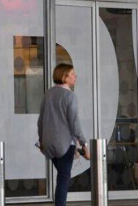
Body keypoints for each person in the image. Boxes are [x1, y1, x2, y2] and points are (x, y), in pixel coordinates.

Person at [37, 63, 90, 206]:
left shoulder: (47, 94)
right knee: (63, 177)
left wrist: (42, 141)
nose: (75, 76)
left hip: (48, 144)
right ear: (64, 77)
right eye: (72, 74)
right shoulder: (69, 96)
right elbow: (74, 124)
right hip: (65, 144)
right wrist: (84, 143)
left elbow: (40, 120)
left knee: (62, 174)